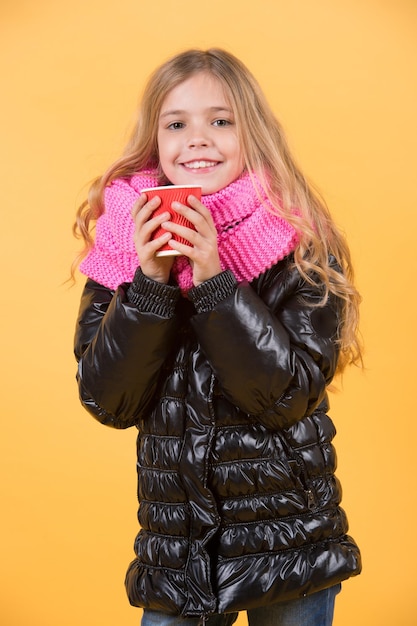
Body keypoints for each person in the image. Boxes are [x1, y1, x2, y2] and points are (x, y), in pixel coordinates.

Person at [73, 48, 362, 626]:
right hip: (178, 551)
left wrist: (214, 281)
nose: (197, 139)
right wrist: (151, 284)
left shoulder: (300, 242)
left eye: (220, 121)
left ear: (250, 133)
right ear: (156, 142)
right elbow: (109, 399)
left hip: (288, 542)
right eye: (176, 124)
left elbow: (285, 396)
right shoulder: (123, 251)